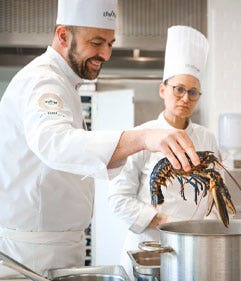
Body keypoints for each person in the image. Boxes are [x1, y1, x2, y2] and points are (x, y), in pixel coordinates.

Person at [0, 1, 200, 278]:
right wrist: (143, 137)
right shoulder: (42, 81)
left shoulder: (65, 82)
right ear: (62, 36)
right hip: (35, 248)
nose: (105, 54)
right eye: (96, 42)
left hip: (55, 242)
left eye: (110, 43)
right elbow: (56, 143)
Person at [108, 25, 220, 279]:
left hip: (197, 249)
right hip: (148, 249)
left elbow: (216, 195)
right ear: (163, 90)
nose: (185, 98)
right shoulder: (140, 135)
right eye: (178, 89)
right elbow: (118, 199)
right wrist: (165, 222)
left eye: (193, 92)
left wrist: (203, 232)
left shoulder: (207, 138)